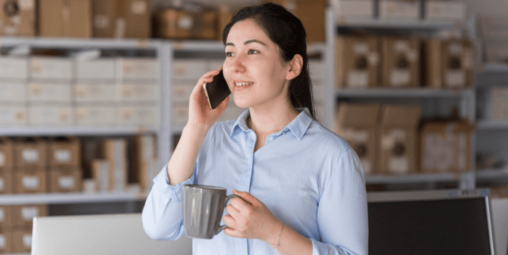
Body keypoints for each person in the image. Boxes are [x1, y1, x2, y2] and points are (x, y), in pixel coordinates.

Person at [142, 3, 368, 255]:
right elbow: (159, 226)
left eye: (252, 51)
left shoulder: (333, 156)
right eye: (229, 53)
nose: (235, 66)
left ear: (292, 67)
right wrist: (196, 126)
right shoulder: (210, 138)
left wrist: (273, 232)